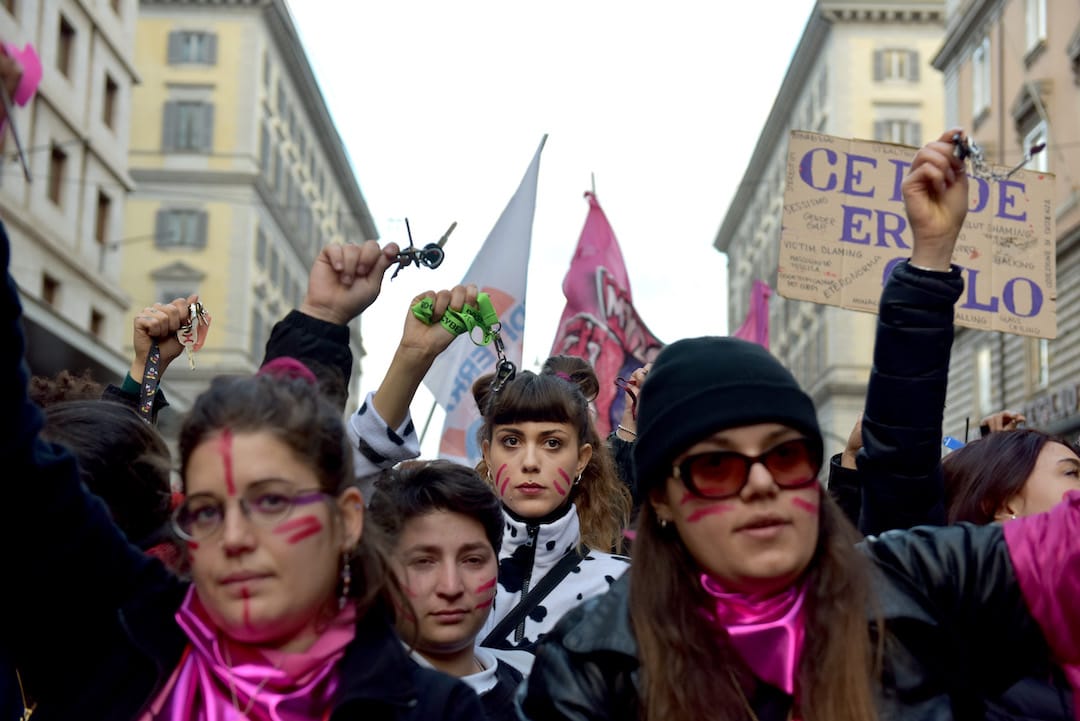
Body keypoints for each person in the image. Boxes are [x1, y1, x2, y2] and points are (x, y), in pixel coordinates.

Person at [515, 130, 1080, 721]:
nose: (762, 484)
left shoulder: (913, 583)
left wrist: (931, 257)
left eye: (785, 456)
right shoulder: (592, 665)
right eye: (717, 465)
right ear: (661, 497)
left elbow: (902, 461)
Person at [0, 226, 485, 720]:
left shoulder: (434, 711)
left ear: (347, 519)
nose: (233, 538)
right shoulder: (134, 653)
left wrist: (322, 319)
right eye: (207, 512)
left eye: (271, 503)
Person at [472, 355, 632, 652]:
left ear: (581, 459)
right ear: (488, 455)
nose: (530, 462)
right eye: (511, 441)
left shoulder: (624, 586)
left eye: (552, 443)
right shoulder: (448, 577)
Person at [368, 460, 533, 721]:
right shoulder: (348, 696)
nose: (451, 586)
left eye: (473, 560)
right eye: (423, 562)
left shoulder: (537, 687)